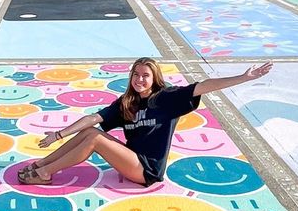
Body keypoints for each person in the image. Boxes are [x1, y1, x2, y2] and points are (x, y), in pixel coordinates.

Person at [16, 57, 273, 187]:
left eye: (145, 75)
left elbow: (203, 86)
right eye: (136, 75)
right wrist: (59, 134)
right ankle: (41, 165)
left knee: (94, 137)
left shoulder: (167, 98)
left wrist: (242, 76)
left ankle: (47, 174)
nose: (140, 79)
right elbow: (94, 118)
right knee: (91, 130)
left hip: (147, 170)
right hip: (131, 158)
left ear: (154, 78)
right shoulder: (127, 102)